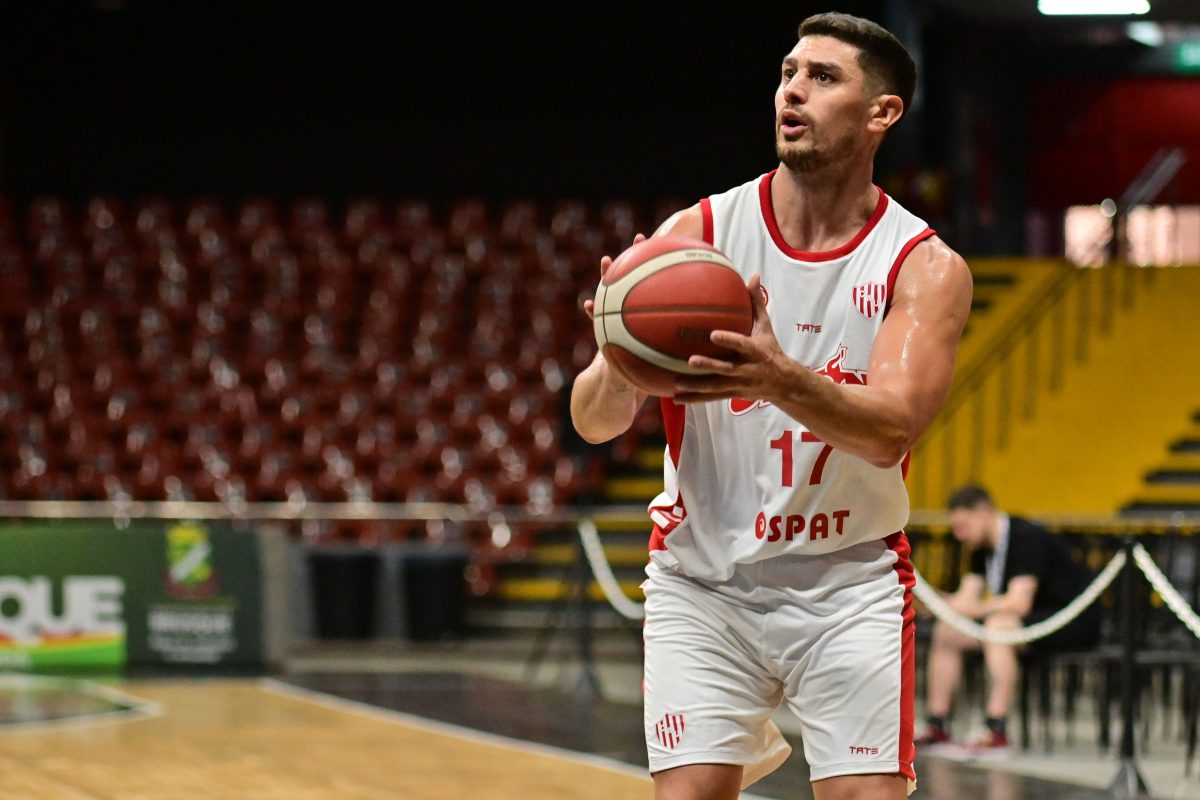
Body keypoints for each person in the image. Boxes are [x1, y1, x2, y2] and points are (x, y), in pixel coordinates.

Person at [571, 11, 972, 800]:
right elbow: (594, 422)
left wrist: (777, 378)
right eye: (789, 73)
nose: (793, 90)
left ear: (882, 112)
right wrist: (619, 361)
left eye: (823, 77)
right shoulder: (698, 234)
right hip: (704, 581)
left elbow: (889, 431)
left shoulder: (922, 265)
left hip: (847, 582)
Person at [915, 485, 1102, 753]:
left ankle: (996, 729)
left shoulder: (1026, 537)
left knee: (999, 625)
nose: (959, 535)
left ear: (983, 513)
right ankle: (937, 725)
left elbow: (1018, 603)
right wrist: (932, 601)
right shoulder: (981, 547)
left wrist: (970, 608)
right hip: (1028, 622)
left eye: (963, 526)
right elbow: (966, 600)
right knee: (948, 631)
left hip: (1071, 620)